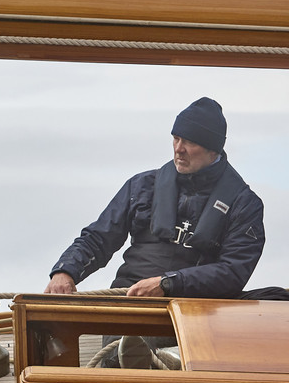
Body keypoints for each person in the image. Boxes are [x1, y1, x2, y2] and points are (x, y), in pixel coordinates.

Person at [46, 97, 267, 300]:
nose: (179, 149)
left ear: (214, 150)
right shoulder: (141, 186)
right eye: (176, 138)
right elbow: (98, 238)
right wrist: (65, 271)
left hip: (199, 312)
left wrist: (169, 284)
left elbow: (233, 271)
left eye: (190, 142)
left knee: (275, 299)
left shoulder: (244, 205)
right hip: (133, 299)